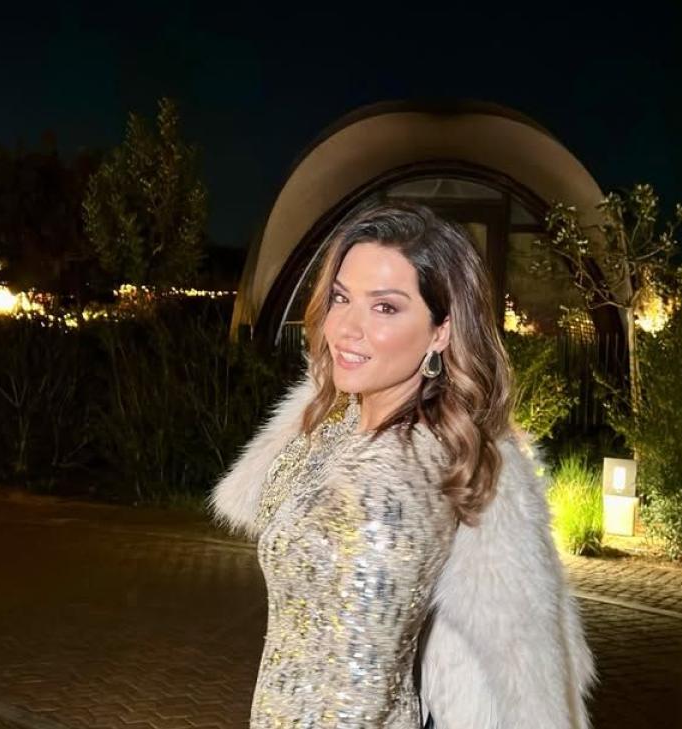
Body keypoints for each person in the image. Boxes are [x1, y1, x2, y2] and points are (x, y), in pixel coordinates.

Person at [212, 202, 594, 728]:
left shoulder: (389, 485)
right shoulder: (343, 423)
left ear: (441, 331)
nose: (346, 328)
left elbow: (355, 698)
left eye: (385, 308)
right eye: (341, 297)